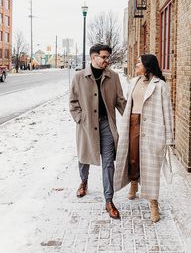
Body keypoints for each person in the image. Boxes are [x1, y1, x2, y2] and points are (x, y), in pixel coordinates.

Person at [114, 54, 174, 222]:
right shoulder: (133, 82)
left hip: (153, 127)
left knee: (151, 166)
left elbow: (168, 112)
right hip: (133, 123)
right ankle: (134, 182)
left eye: (139, 62)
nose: (136, 64)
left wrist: (169, 138)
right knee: (132, 158)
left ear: (148, 66)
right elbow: (128, 105)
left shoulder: (160, 85)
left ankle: (154, 203)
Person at [69, 43, 126, 219]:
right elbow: (73, 102)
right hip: (86, 125)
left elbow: (120, 101)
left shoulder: (113, 77)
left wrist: (134, 116)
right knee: (84, 157)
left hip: (106, 125)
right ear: (93, 57)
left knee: (108, 163)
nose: (106, 60)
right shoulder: (79, 77)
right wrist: (81, 119)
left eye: (108, 57)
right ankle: (83, 182)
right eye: (103, 57)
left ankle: (109, 200)